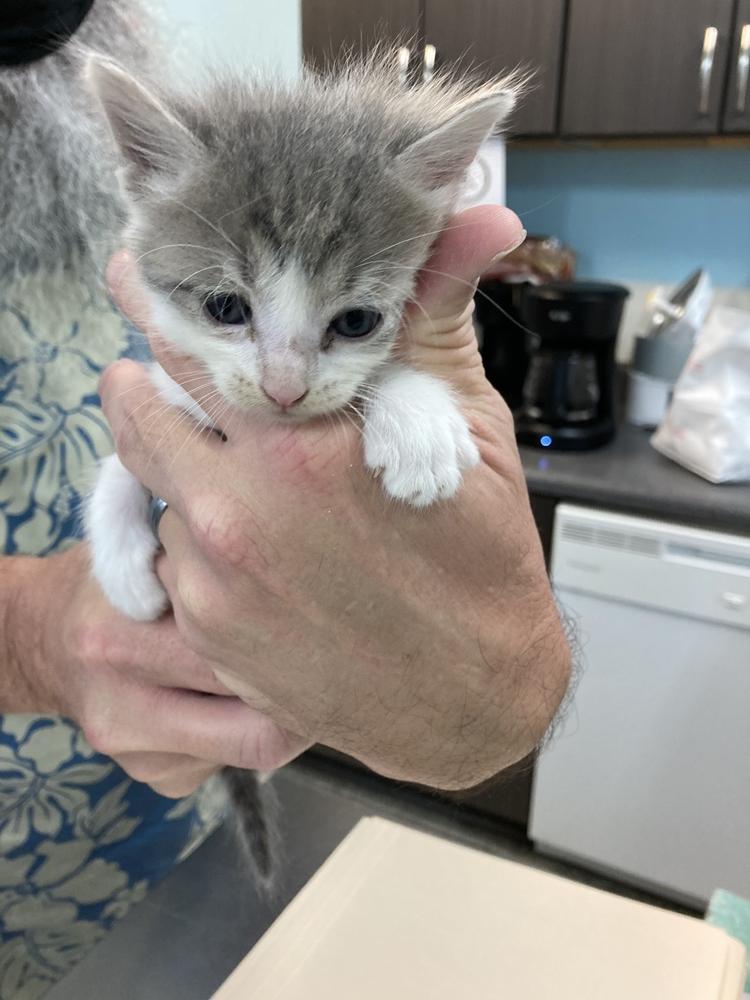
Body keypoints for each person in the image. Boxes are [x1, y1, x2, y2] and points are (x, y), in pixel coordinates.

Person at [1, 1, 571, 995]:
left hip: (173, 837)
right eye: (229, 308)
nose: (282, 384)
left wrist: (404, 387)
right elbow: (151, 443)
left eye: (352, 317)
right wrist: (37, 631)